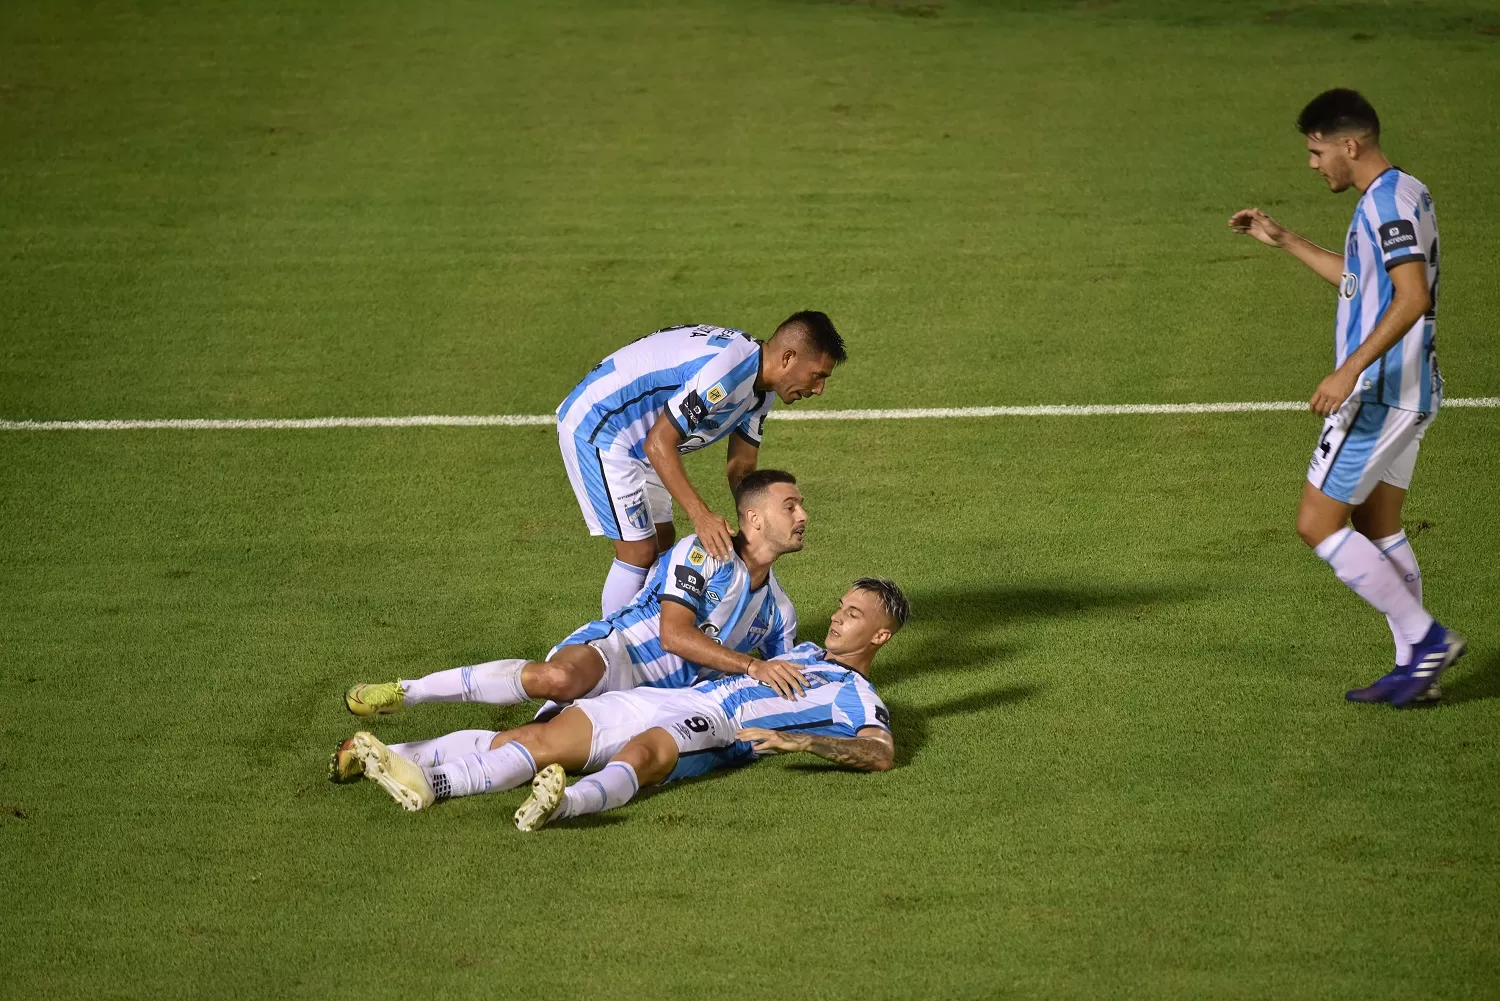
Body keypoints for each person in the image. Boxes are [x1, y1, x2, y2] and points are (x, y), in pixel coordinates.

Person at [1229, 88, 1464, 706]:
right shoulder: (1402, 191)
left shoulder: (1386, 204)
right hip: (1413, 389)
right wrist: (1286, 240)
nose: (1313, 164)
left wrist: (1347, 372)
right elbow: (1364, 281)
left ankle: (1424, 640)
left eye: (1317, 151)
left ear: (1349, 145)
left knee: (1317, 524)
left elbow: (1413, 297)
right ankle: (1418, 670)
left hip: (1382, 390)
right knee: (1377, 523)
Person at [332, 579, 908, 826]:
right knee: (536, 741)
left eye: (853, 615)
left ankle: (445, 787)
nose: (836, 615)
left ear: (880, 636)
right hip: (672, 696)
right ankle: (400, 752)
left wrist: (797, 740)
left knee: (648, 748)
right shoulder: (805, 649)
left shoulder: (857, 696)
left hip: (720, 725)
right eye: (841, 605)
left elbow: (879, 753)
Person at [341, 471, 809, 725]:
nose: (803, 515)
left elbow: (783, 683)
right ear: (753, 517)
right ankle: (411, 691)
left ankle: (399, 762)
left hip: (656, 706)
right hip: (619, 650)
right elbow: (673, 635)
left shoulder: (778, 612)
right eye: (790, 506)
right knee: (559, 678)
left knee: (538, 747)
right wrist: (751, 665)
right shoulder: (703, 553)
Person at [557, 313, 845, 617]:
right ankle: (612, 648)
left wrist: (757, 526)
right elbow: (658, 443)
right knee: (639, 551)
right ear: (788, 358)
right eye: (818, 375)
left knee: (664, 543)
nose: (819, 389)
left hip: (643, 441)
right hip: (601, 425)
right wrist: (701, 516)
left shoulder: (763, 392)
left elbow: (742, 468)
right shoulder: (728, 371)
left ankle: (652, 635)